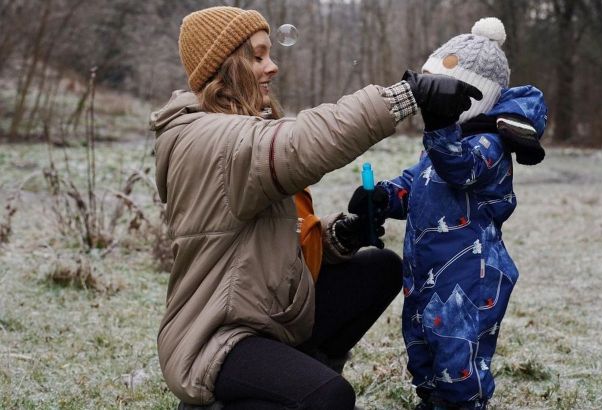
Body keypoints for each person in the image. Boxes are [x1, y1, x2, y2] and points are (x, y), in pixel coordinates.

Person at [149, 6, 482, 409]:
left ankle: (294, 375)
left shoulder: (235, 132)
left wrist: (341, 234)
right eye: (256, 57)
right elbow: (304, 141)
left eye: (269, 54)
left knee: (379, 268)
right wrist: (407, 94)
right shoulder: (210, 140)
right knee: (329, 397)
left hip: (265, 314)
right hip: (217, 337)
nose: (271, 67)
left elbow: (271, 240)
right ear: (225, 67)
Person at [347, 18, 548, 410]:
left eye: (440, 94)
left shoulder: (488, 146)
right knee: (422, 350)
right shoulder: (438, 146)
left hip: (469, 280)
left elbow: (459, 167)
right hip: (425, 274)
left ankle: (462, 404)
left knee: (457, 358)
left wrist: (439, 125)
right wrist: (384, 196)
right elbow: (417, 185)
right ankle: (431, 398)